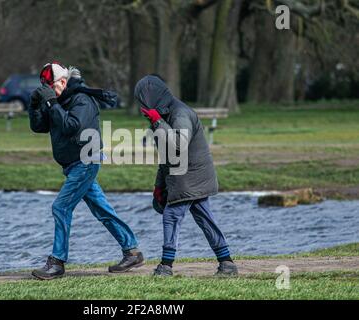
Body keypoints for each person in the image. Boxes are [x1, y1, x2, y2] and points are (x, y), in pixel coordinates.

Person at [29, 62, 144, 280]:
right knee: (102, 209)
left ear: (62, 81)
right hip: (73, 165)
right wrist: (35, 106)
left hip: (86, 161)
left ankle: (57, 263)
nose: (48, 92)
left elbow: (71, 126)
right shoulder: (59, 100)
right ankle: (132, 251)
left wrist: (52, 103)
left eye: (50, 87)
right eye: (45, 88)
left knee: (61, 207)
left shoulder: (81, 99)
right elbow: (39, 126)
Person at [134, 74, 238, 276]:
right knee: (205, 218)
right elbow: (166, 156)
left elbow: (179, 146)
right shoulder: (163, 116)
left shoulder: (180, 114)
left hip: (190, 176)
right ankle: (227, 263)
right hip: (186, 176)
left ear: (152, 98)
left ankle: (165, 267)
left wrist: (157, 121)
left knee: (171, 216)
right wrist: (159, 186)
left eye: (143, 102)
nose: (142, 108)